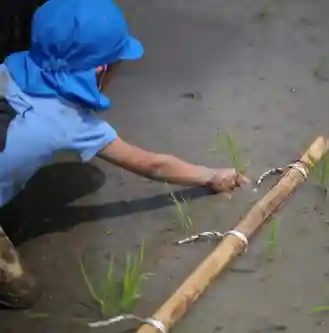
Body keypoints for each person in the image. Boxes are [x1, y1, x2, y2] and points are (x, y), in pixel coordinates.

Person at [0, 0, 249, 309]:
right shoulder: (70, 122)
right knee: (24, 295)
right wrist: (211, 176)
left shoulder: (9, 65)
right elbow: (153, 165)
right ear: (100, 70)